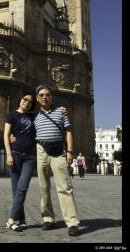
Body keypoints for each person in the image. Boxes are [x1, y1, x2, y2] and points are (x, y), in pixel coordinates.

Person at [34, 85, 80, 236]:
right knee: (43, 187)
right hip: (41, 150)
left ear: (51, 97)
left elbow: (68, 131)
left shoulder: (61, 112)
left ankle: (72, 222)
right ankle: (48, 218)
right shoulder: (34, 116)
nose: (44, 97)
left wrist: (70, 151)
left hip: (58, 151)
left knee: (65, 187)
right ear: (37, 98)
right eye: (41, 95)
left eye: (47, 94)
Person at [4, 91, 37, 232]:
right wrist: (9, 155)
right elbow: (6, 135)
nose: (27, 102)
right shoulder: (11, 115)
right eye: (25, 99)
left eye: (30, 102)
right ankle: (21, 219)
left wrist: (61, 109)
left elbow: (47, 113)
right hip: (16, 154)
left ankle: (11, 220)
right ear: (20, 100)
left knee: (22, 187)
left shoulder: (33, 116)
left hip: (29, 156)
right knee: (16, 189)